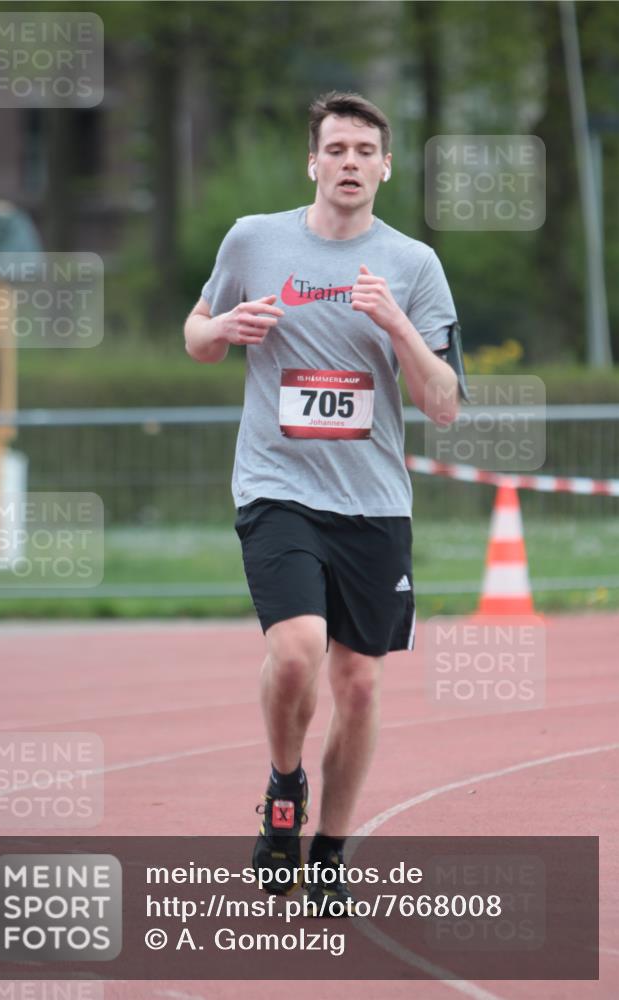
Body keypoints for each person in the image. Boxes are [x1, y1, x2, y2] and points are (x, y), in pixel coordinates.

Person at [184, 91, 462, 914]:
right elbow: (195, 337)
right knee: (299, 648)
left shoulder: (412, 266)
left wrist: (395, 326)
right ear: (313, 161)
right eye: (334, 148)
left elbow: (443, 403)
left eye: (362, 150)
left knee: (361, 684)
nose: (348, 162)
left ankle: (331, 852)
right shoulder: (254, 240)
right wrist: (227, 324)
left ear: (383, 167)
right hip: (277, 488)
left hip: (372, 504)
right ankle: (282, 792)